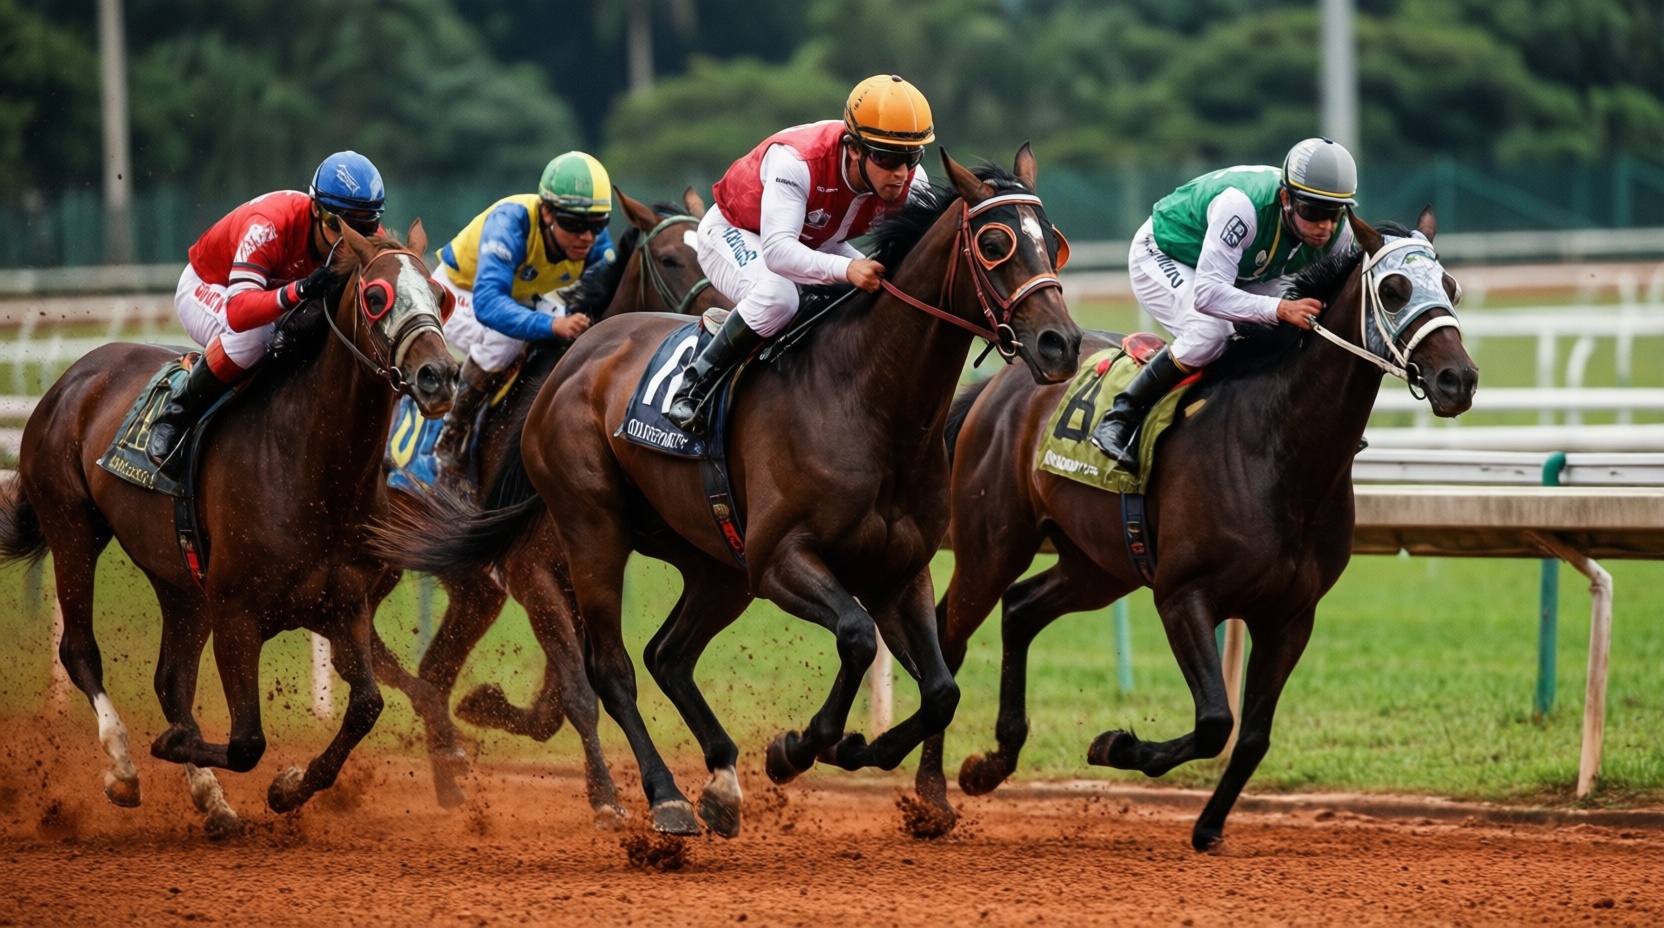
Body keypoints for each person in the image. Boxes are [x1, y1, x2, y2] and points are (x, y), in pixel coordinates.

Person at [665, 74, 935, 434]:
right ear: (854, 148)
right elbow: (778, 253)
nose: (901, 174)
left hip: (816, 238)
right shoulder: (797, 161)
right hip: (736, 231)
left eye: (912, 157)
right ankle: (694, 387)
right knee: (779, 298)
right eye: (887, 158)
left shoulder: (913, 182)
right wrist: (847, 268)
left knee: (889, 288)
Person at [1089, 137, 1359, 469]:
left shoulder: (1339, 234)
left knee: (1301, 323)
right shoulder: (1242, 208)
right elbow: (1208, 295)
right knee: (1210, 331)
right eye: (1313, 211)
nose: (1325, 226)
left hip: (1242, 267)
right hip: (1164, 253)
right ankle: (1120, 418)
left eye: (1334, 213)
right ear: (1286, 198)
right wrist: (1279, 309)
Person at [148, 150, 384, 469]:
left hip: (268, 294)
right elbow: (239, 312)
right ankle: (175, 418)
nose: (349, 239)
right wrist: (298, 290)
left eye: (365, 226)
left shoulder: (363, 239)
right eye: (336, 224)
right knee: (256, 336)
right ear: (315, 209)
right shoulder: (269, 225)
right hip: (209, 287)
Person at [430, 151, 615, 476]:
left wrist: (567, 321)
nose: (586, 236)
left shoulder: (597, 244)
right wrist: (553, 324)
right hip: (459, 291)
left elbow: (599, 292)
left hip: (519, 294)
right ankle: (452, 432)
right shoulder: (510, 224)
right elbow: (488, 305)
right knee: (506, 341)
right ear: (546, 212)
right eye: (573, 223)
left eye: (598, 224)